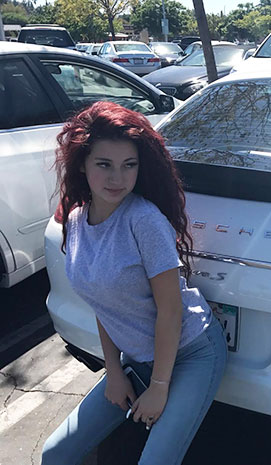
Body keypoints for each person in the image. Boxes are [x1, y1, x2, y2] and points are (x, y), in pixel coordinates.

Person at [41, 101, 227, 465]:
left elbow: (171, 311)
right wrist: (113, 371)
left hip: (191, 352)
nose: (117, 179)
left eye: (129, 166)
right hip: (136, 359)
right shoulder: (77, 220)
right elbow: (103, 303)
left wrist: (159, 388)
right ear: (82, 163)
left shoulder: (143, 220)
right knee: (55, 454)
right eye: (104, 165)